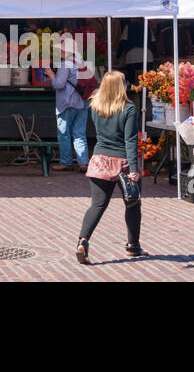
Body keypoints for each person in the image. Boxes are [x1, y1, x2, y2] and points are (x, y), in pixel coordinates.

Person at [75, 70, 143, 264]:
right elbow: (130, 140)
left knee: (97, 205)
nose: (127, 85)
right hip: (121, 161)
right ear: (120, 86)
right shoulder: (129, 108)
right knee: (132, 203)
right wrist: (133, 169)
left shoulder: (95, 106)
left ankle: (82, 241)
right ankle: (133, 246)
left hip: (99, 159)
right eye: (124, 82)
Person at [47, 43, 89, 172]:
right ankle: (83, 163)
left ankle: (66, 162)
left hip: (67, 103)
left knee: (63, 134)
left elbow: (59, 85)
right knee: (79, 133)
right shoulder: (82, 63)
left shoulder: (65, 64)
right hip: (82, 102)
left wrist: (52, 76)